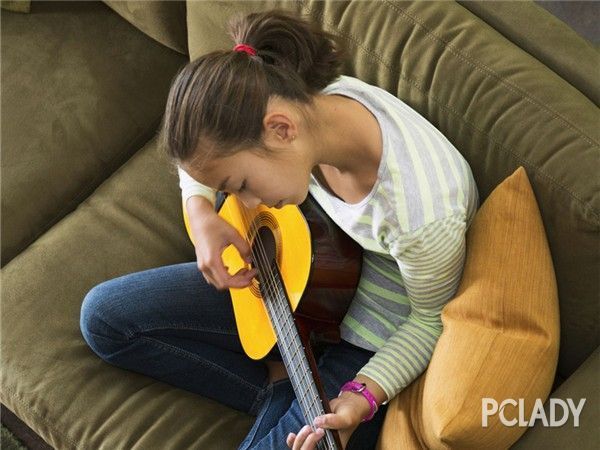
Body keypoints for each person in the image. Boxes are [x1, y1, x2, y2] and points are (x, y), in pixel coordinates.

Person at [80, 9, 479, 450]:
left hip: (367, 345)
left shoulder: (420, 213)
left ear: (281, 130)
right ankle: (282, 380)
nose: (245, 204)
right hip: (307, 278)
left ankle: (285, 385)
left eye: (240, 185)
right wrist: (201, 215)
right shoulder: (289, 96)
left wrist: (361, 398)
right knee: (103, 319)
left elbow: (429, 321)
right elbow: (202, 150)